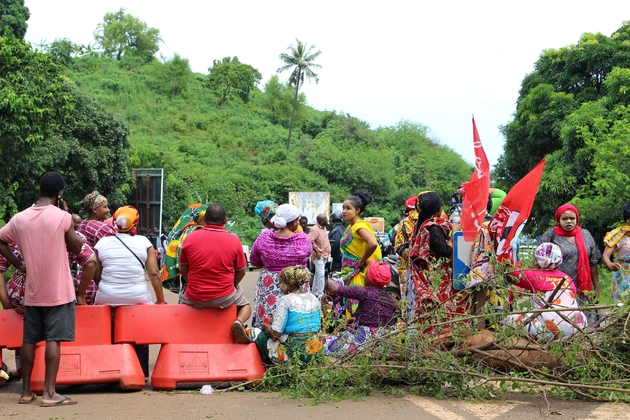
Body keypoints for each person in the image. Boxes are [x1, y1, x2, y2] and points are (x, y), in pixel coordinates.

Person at [0, 171, 83, 406]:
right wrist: (66, 215)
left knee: (29, 339)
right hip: (58, 290)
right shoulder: (61, 216)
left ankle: (26, 392)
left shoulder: (20, 218)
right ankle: (49, 394)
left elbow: (1, 239)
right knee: (53, 339)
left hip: (33, 290)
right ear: (60, 193)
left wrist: (19, 265)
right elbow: (76, 246)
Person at [92, 206, 166, 377]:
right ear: (136, 222)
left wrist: (108, 289)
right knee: (138, 333)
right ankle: (140, 371)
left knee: (108, 333)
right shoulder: (144, 242)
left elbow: (97, 274)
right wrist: (160, 299)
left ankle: (109, 372)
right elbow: (154, 273)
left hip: (107, 297)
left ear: (115, 222)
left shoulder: (102, 243)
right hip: (137, 297)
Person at [178, 204, 252, 344]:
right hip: (225, 297)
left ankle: (184, 331)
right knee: (245, 305)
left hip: (194, 296)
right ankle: (239, 321)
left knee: (182, 299)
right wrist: (233, 284)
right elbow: (241, 271)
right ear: (225, 220)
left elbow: (183, 269)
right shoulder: (234, 240)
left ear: (205, 219)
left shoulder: (190, 238)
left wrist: (191, 283)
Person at [407, 191, 469, 330]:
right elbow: (445, 252)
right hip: (435, 279)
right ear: (438, 210)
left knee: (426, 312)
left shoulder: (419, 225)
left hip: (424, 277)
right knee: (440, 310)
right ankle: (439, 341)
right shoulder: (433, 227)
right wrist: (452, 235)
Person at [504, 243, 587, 341]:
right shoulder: (568, 278)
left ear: (538, 260)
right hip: (578, 328)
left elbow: (509, 273)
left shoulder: (535, 276)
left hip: (551, 331)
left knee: (510, 319)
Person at [249, 204, 312, 328]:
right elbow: (306, 258)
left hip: (270, 284)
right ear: (293, 221)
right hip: (296, 284)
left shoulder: (264, 238)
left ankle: (265, 342)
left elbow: (255, 261)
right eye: (297, 220)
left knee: (269, 318)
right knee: (295, 319)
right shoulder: (303, 240)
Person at [540, 204, 601, 324]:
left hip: (583, 288)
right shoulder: (550, 236)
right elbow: (538, 262)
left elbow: (593, 262)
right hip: (557, 286)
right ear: (558, 220)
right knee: (562, 320)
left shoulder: (586, 235)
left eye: (572, 218)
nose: (569, 221)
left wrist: (597, 287)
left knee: (584, 321)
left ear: (577, 219)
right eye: (564, 219)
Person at [249, 265, 322, 364]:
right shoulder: (314, 298)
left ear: (288, 284)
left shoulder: (286, 300)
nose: (280, 287)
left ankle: (270, 366)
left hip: (295, 353)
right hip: (314, 351)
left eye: (281, 283)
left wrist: (267, 327)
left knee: (256, 334)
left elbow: (275, 335)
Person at [323, 261, 396, 355]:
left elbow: (335, 289)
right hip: (382, 342)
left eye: (366, 274)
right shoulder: (389, 298)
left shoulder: (364, 291)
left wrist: (328, 282)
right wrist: (355, 319)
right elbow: (375, 317)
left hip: (365, 340)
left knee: (327, 345)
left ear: (370, 279)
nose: (364, 276)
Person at [339, 191, 382, 315]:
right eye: (343, 208)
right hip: (351, 272)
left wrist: (361, 261)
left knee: (356, 307)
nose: (344, 211)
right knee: (351, 304)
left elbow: (372, 243)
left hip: (358, 272)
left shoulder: (359, 226)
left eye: (348, 208)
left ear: (357, 210)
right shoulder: (350, 226)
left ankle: (356, 332)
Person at [602, 203, 630, 303]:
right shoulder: (620, 235)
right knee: (624, 310)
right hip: (624, 277)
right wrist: (610, 265)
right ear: (628, 220)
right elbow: (605, 256)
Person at [393, 195, 419, 295]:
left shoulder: (403, 223)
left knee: (406, 297)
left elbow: (396, 244)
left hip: (404, 266)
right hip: (422, 267)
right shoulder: (429, 220)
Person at [308, 214, 330, 298]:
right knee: (321, 274)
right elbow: (310, 241)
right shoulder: (314, 229)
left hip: (325, 255)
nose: (327, 220)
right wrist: (317, 251)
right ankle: (321, 294)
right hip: (318, 255)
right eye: (325, 219)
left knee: (318, 274)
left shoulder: (323, 227)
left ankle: (314, 292)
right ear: (321, 221)